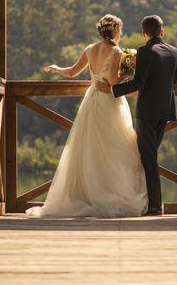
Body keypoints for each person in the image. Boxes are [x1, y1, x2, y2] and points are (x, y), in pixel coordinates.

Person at [26, 14, 148, 218]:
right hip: (109, 102)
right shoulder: (118, 51)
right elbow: (112, 82)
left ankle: (88, 194)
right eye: (121, 29)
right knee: (114, 147)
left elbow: (72, 72)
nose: (122, 33)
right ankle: (109, 192)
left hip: (91, 100)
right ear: (116, 30)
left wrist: (57, 69)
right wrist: (129, 67)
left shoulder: (90, 49)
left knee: (91, 148)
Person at [97, 15, 177, 215]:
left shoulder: (144, 51)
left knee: (149, 158)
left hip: (147, 112)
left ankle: (154, 205)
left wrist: (111, 90)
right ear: (162, 32)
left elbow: (137, 83)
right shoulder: (174, 52)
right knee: (150, 156)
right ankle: (148, 201)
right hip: (166, 110)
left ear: (144, 33)